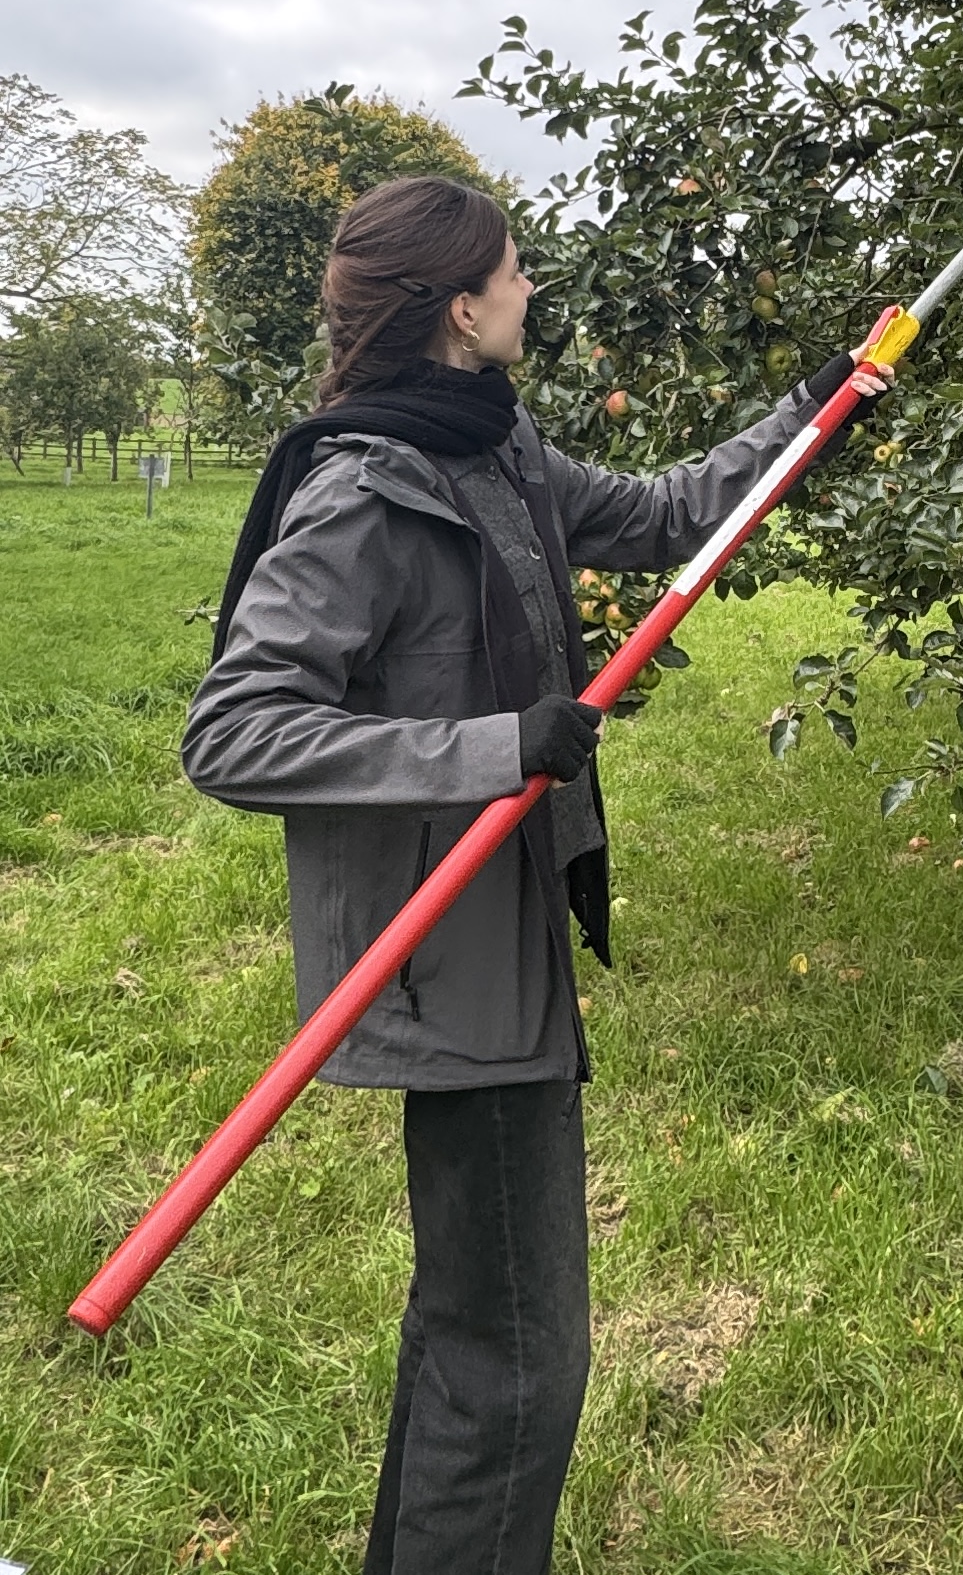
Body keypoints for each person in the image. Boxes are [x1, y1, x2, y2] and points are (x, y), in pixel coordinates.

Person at [181, 175, 891, 1573]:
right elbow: (234, 731)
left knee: (482, 1328)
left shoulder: (494, 449)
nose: (530, 289)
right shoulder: (365, 489)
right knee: (517, 1355)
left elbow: (668, 507)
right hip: (443, 963)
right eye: (514, 271)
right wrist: (495, 747)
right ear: (459, 306)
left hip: (507, 932)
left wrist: (820, 411)